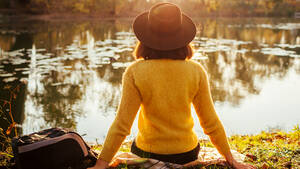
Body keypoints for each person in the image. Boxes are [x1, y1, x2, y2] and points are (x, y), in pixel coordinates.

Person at [89, 3, 255, 169]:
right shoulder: (196, 71)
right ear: (183, 39)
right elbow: (211, 122)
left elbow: (122, 125)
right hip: (187, 154)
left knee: (136, 143)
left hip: (147, 153)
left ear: (145, 39)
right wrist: (231, 160)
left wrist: (101, 164)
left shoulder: (135, 71)